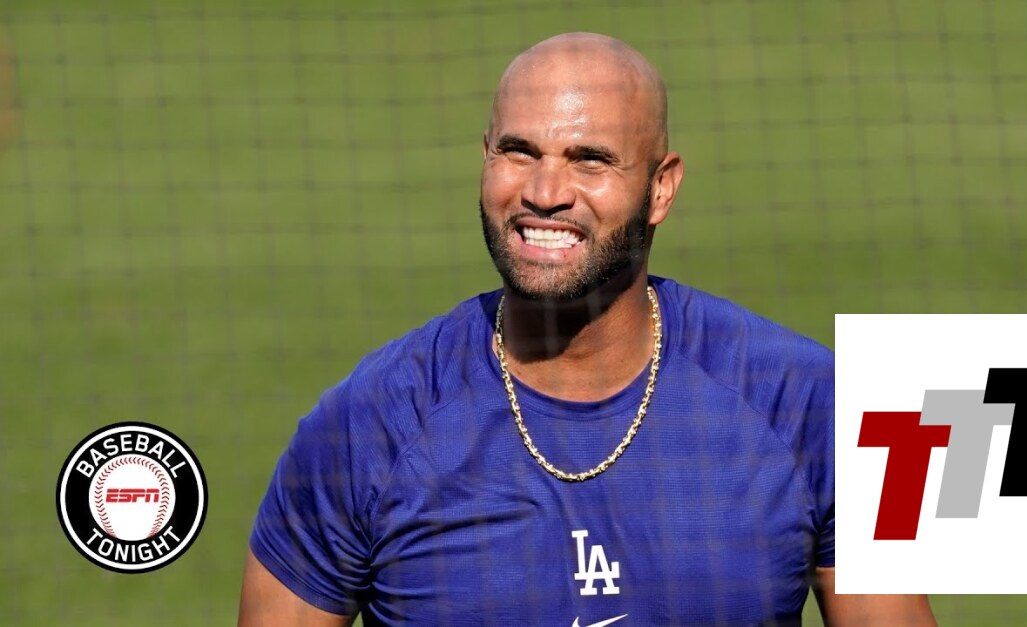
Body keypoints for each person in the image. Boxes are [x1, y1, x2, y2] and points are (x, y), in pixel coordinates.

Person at [238, 32, 936, 626]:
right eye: (518, 152)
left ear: (661, 188)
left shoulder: (809, 402)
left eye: (590, 159)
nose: (544, 193)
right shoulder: (365, 428)